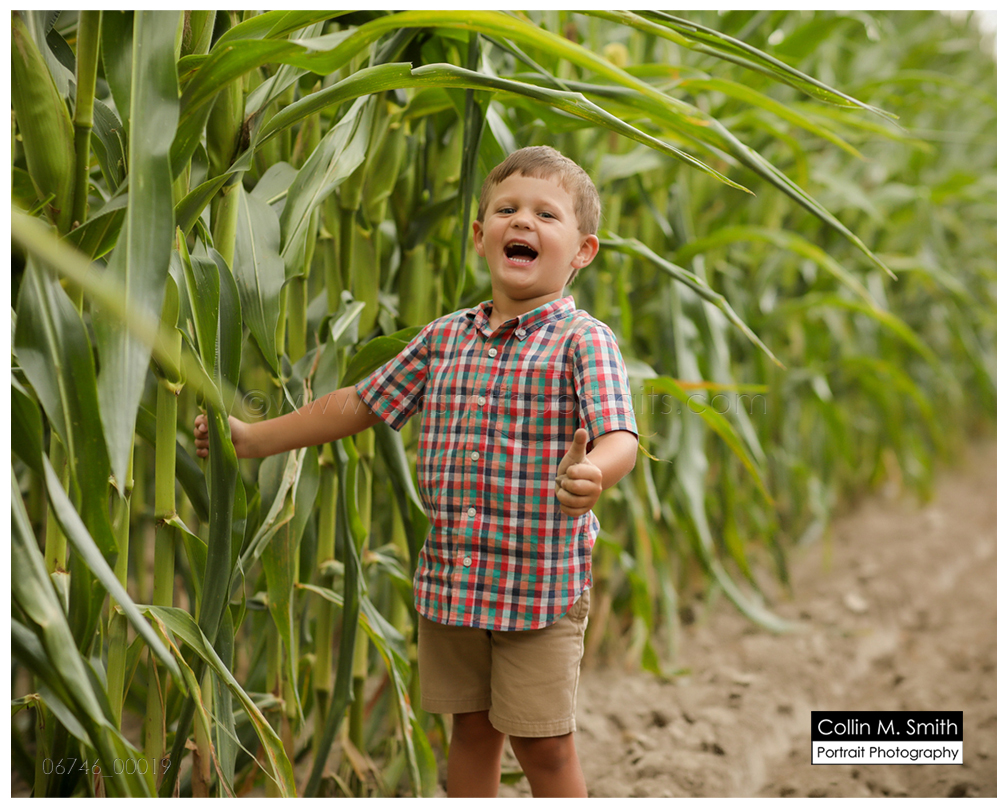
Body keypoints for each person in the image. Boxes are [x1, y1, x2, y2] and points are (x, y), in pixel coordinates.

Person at [195, 146, 639, 797]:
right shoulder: (444, 338)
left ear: (583, 251)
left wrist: (593, 472)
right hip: (457, 579)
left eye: (547, 214)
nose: (523, 221)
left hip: (539, 584)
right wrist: (255, 438)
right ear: (480, 235)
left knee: (543, 744)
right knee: (470, 729)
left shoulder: (583, 340)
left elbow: (620, 435)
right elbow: (360, 403)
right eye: (507, 210)